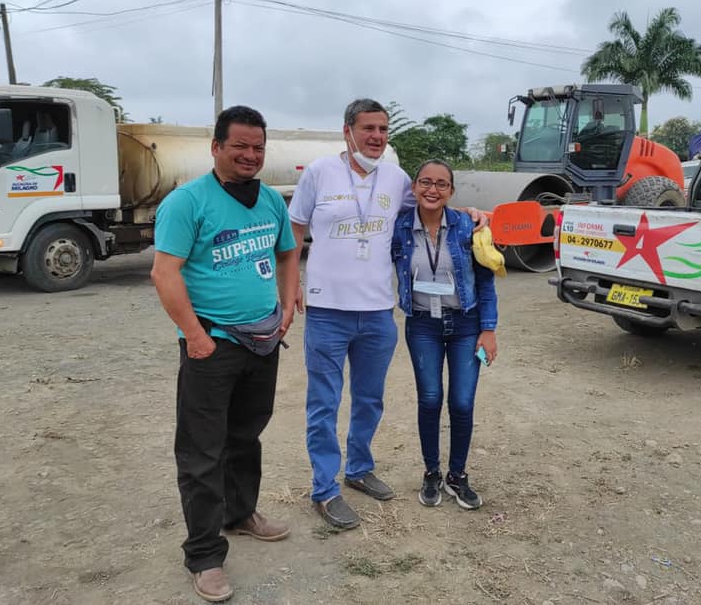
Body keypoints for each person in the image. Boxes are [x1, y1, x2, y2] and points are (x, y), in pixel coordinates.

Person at [288, 99, 486, 530]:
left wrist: (471, 215)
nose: (376, 136)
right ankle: (325, 489)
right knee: (324, 403)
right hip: (327, 311)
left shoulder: (396, 179)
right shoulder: (319, 172)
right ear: (347, 131)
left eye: (382, 129)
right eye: (368, 128)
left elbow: (433, 206)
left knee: (369, 399)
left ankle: (359, 468)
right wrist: (290, 287)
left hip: (377, 312)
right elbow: (295, 229)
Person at [151, 105, 299, 603]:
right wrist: (196, 336)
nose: (250, 155)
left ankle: (240, 513)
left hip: (263, 341)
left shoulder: (271, 200)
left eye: (258, 147)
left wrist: (287, 303)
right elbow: (164, 274)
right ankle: (204, 555)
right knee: (202, 451)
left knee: (245, 436)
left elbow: (288, 252)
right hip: (212, 346)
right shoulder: (187, 202)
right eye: (240, 146)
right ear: (216, 147)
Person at [391, 159, 498, 510]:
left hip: (466, 324)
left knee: (462, 402)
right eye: (425, 182)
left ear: (451, 191)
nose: (432, 189)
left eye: (441, 184)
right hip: (423, 324)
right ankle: (432, 472)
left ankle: (457, 475)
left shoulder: (468, 226)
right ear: (414, 188)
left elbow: (486, 281)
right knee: (430, 399)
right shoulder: (400, 227)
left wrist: (488, 329)